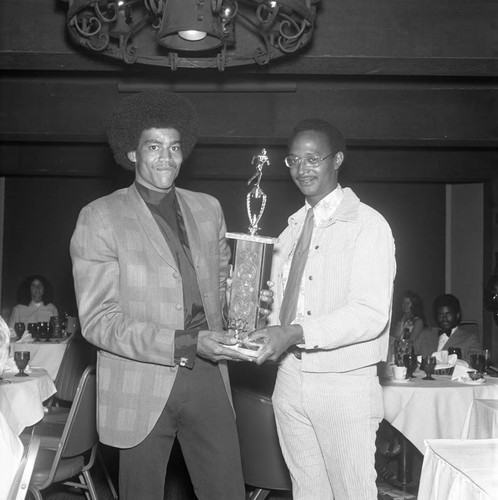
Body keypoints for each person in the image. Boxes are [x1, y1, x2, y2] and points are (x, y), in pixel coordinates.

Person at [70, 91, 258, 500]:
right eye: (153, 147)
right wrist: (184, 342)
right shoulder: (100, 217)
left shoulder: (208, 209)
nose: (166, 158)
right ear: (132, 153)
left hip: (209, 373)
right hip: (139, 381)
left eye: (174, 147)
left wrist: (253, 302)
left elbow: (224, 292)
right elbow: (99, 321)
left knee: (227, 492)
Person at [247, 118, 396, 499]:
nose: (302, 169)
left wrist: (296, 332)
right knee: (307, 492)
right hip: (290, 378)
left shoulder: (367, 224)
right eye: (294, 161)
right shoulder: (291, 229)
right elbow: (279, 308)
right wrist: (254, 309)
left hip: (344, 381)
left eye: (313, 159)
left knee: (351, 493)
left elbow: (370, 313)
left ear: (337, 160)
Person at [414, 293, 482, 363]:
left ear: (457, 315)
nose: (444, 319)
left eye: (448, 314)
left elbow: (476, 360)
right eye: (440, 315)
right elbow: (410, 354)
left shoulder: (469, 339)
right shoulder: (425, 334)